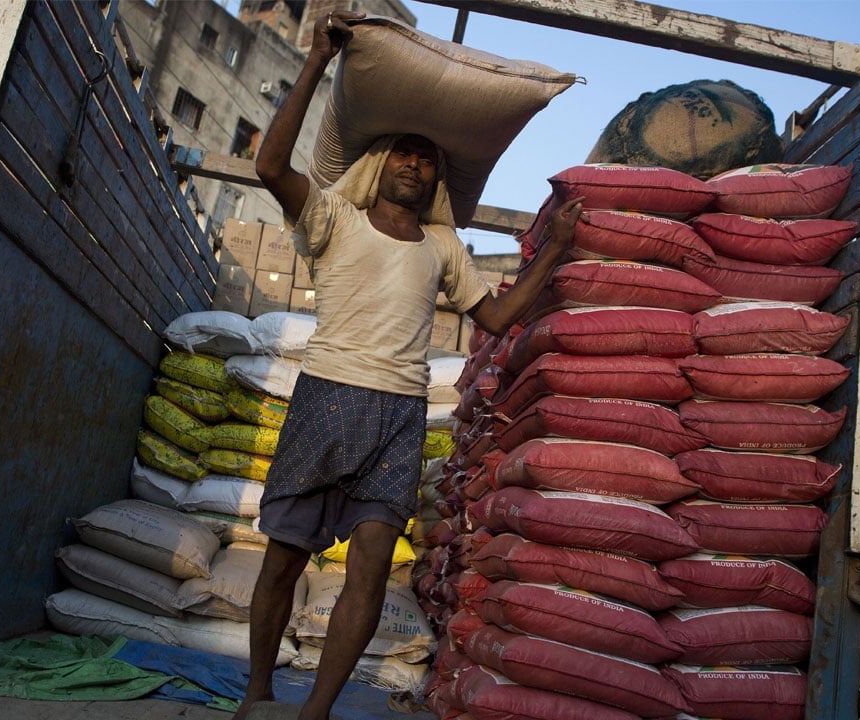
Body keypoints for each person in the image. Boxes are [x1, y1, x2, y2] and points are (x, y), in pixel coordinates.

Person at [233, 9, 583, 720]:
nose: (416, 165)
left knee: (368, 570)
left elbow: (493, 318)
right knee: (283, 560)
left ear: (435, 179)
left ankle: (315, 712)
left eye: (427, 160)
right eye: (404, 153)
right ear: (381, 161)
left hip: (399, 415)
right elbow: (269, 166)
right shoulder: (334, 217)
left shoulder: (441, 248)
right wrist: (316, 62)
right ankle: (257, 693)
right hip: (326, 398)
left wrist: (552, 251)